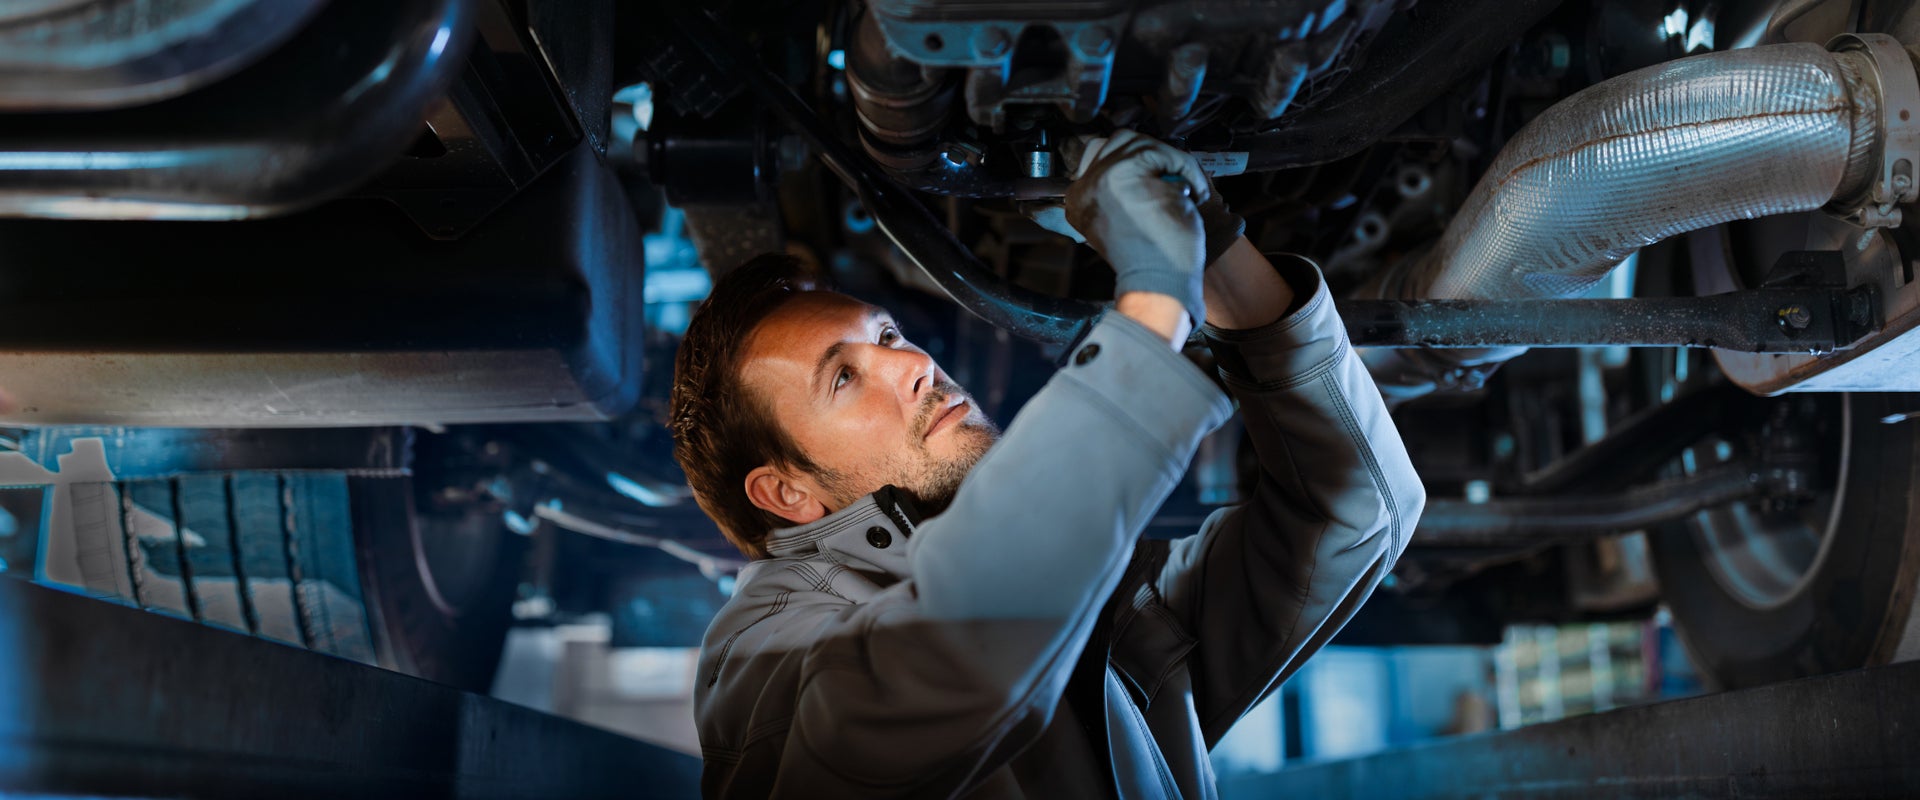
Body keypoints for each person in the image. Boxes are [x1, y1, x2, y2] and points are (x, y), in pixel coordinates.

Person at [669, 131, 1425, 798]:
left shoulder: (1090, 592)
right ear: (787, 491)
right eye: (843, 378)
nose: (916, 366)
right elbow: (951, 661)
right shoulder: (762, 651)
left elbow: (1354, 511)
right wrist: (1153, 302)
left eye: (891, 336)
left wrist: (1212, 249)